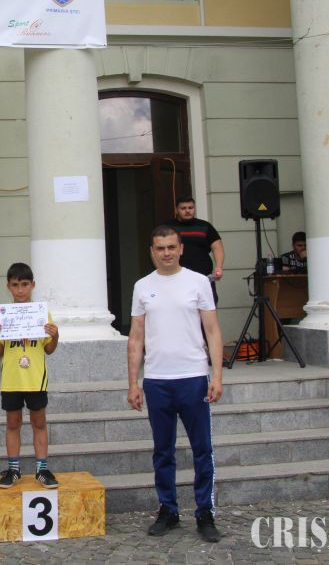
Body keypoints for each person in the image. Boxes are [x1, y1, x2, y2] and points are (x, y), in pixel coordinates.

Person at [128, 225, 224, 543]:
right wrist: (133, 382)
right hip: (157, 380)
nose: (166, 253)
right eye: (160, 248)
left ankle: (205, 512)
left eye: (171, 247)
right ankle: (168, 509)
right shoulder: (142, 286)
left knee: (202, 449)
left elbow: (212, 330)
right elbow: (136, 337)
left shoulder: (198, 282)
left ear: (181, 249)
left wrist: (217, 376)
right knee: (163, 451)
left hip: (193, 377)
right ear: (151, 252)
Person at [0, 262, 59, 489]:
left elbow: (49, 349)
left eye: (25, 284)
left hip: (35, 378)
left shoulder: (42, 314)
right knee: (13, 422)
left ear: (32, 285)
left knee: (39, 421)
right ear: (8, 286)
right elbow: (0, 352)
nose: (20, 290)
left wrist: (55, 335)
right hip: (12, 378)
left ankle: (42, 470)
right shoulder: (2, 314)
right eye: (15, 285)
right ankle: (13, 470)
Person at [163, 196, 225, 302]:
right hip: (175, 278)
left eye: (190, 208)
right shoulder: (167, 228)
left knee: (207, 307)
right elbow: (156, 250)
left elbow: (217, 247)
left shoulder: (205, 226)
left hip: (203, 278)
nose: (187, 211)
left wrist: (219, 267)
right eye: (183, 208)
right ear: (176, 210)